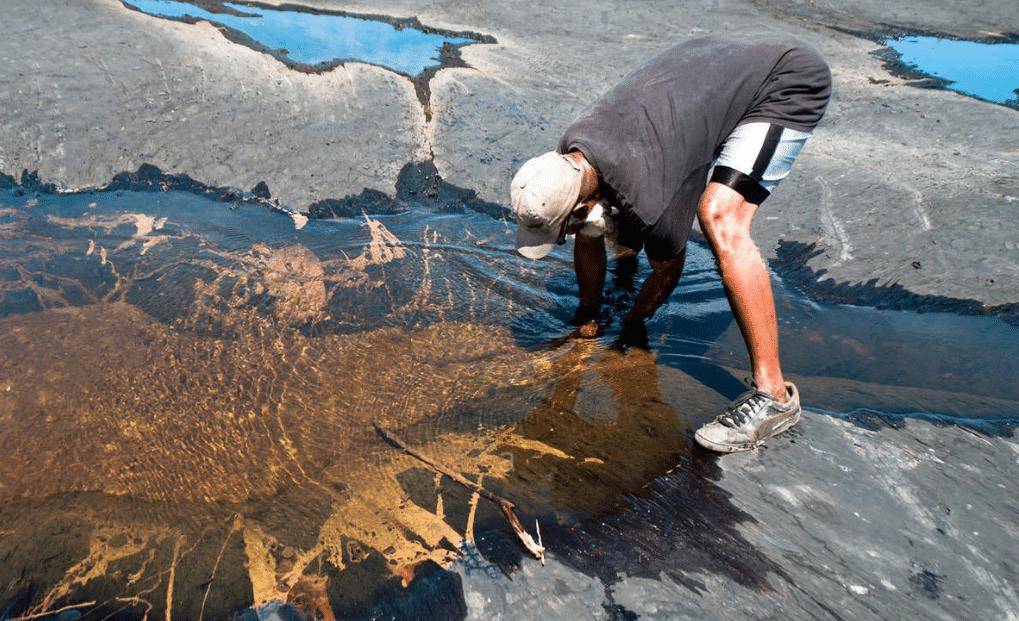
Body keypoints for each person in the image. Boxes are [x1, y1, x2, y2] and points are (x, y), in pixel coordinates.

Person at [509, 36, 832, 453]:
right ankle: (610, 279)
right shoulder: (568, 156)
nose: (565, 237)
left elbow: (667, 272)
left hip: (783, 81)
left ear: (582, 203)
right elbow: (587, 229)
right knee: (615, 218)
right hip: (711, 65)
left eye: (564, 228)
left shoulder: (653, 207)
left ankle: (774, 398)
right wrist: (587, 315)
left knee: (719, 216)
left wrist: (634, 319)